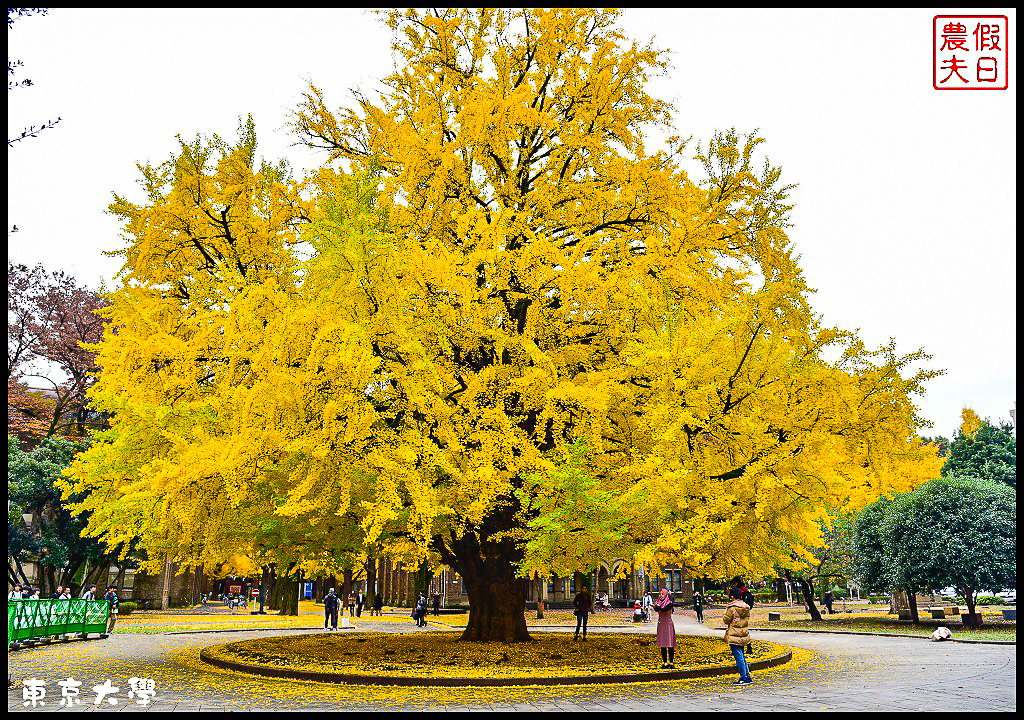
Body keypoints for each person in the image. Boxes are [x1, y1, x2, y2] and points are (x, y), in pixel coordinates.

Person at [723, 587, 753, 685]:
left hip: (734, 634)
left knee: (739, 656)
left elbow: (726, 620)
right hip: (743, 633)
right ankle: (747, 676)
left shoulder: (732, 608)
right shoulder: (746, 607)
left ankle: (743, 677)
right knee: (742, 656)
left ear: (732, 596)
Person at [653, 588, 676, 668]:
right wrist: (655, 607)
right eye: (660, 594)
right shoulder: (659, 602)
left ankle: (671, 662)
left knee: (670, 643)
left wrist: (658, 607)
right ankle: (665, 662)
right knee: (662, 643)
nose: (661, 595)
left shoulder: (669, 603)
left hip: (668, 624)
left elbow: (664, 609)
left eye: (662, 594)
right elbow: (657, 610)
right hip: (661, 624)